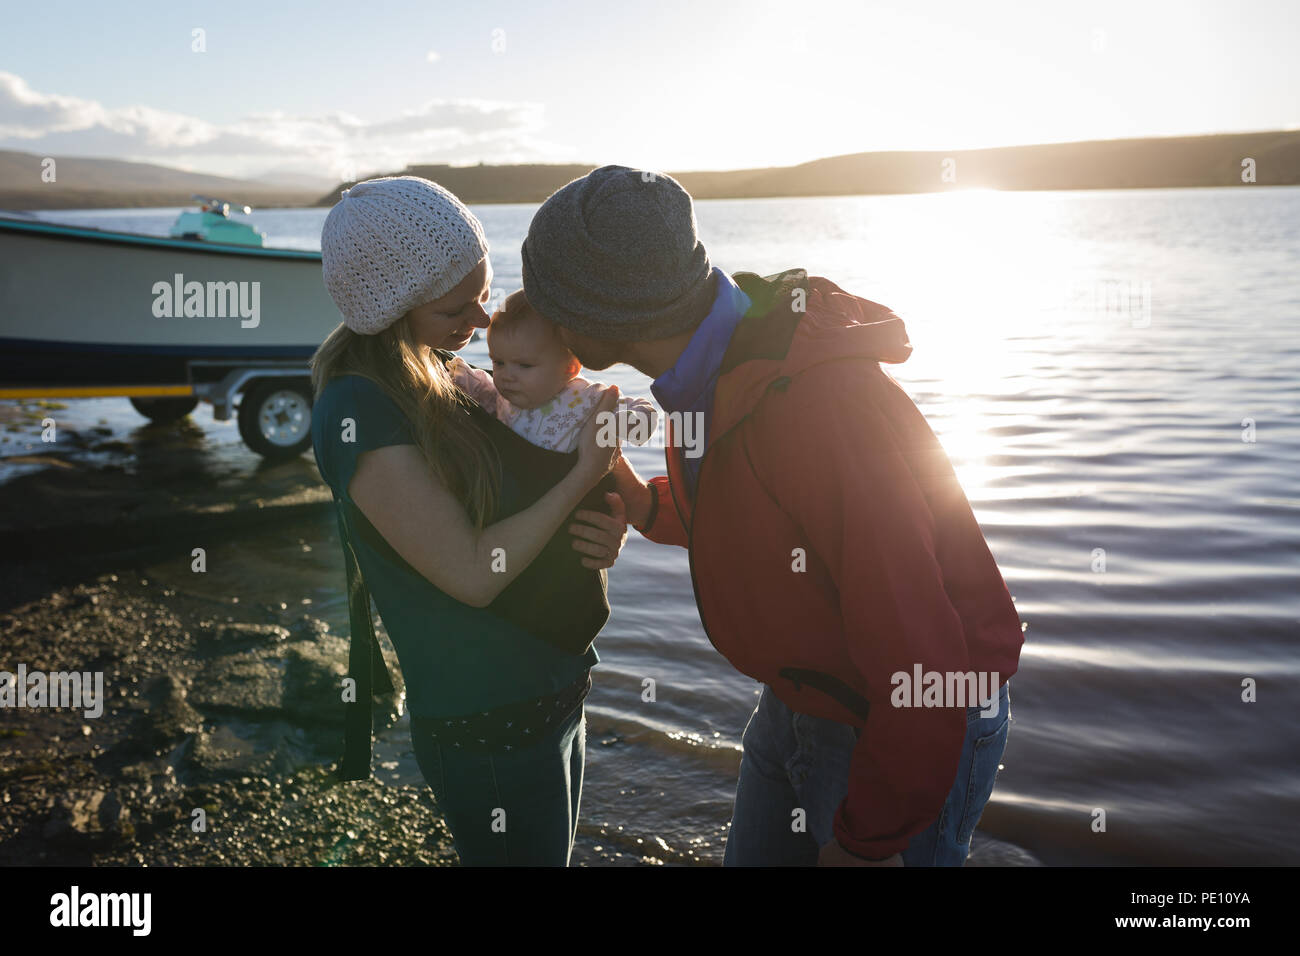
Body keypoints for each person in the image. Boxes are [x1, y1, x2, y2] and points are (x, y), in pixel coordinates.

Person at [520, 165, 1026, 866]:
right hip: (805, 697)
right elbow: (753, 511)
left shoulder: (813, 404)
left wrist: (869, 842)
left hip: (906, 721)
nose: (539, 318)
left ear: (602, 312)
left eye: (550, 299)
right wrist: (644, 504)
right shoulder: (714, 361)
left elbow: (922, 654)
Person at [310, 175, 629, 866]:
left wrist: (604, 524)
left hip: (554, 687)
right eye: (459, 305)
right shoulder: (360, 410)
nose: (482, 321)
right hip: (490, 721)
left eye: (484, 294)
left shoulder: (440, 372)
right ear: (391, 306)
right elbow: (472, 574)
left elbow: (523, 489)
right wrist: (584, 473)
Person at [447, 289, 657, 453]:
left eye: (525, 366)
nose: (506, 375)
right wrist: (462, 381)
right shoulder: (504, 397)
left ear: (570, 368)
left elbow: (644, 412)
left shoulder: (586, 398)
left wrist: (627, 422)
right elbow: (486, 391)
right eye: (498, 362)